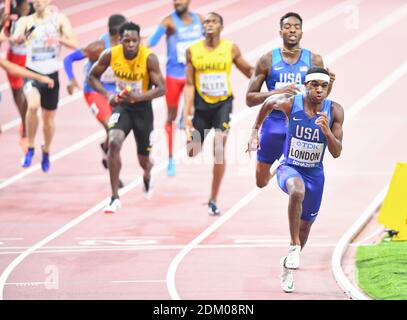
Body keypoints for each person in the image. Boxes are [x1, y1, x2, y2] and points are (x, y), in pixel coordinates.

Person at [247, 67, 344, 293]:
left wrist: (327, 132)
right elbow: (269, 103)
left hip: (315, 175)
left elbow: (337, 152)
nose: (319, 90)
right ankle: (293, 246)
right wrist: (254, 131)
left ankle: (287, 268)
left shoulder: (335, 111)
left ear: (328, 88)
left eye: (323, 86)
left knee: (306, 227)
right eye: (314, 85)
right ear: (306, 86)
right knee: (296, 191)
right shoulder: (292, 103)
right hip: (289, 167)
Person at [245, 12, 335, 188]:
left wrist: (329, 84)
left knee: (301, 180)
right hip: (273, 124)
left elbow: (321, 96)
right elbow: (249, 99)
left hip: (301, 124)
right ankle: (280, 168)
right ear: (280, 32)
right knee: (261, 182)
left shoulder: (314, 60)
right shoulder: (267, 60)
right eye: (287, 27)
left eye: (296, 27)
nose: (292, 30)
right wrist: (277, 92)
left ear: (301, 32)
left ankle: (287, 168)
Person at [88, 22, 165, 214]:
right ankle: (114, 197)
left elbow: (162, 89)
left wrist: (138, 97)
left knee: (143, 160)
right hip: (122, 107)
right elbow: (92, 76)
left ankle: (148, 174)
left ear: (139, 41)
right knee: (113, 142)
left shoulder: (149, 58)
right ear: (120, 41)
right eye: (127, 41)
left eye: (134, 41)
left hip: (143, 111)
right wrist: (107, 96)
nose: (130, 44)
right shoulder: (111, 54)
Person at [183, 12, 254, 215]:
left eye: (214, 21)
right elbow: (189, 84)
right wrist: (186, 114)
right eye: (206, 21)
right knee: (192, 151)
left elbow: (249, 70)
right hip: (201, 106)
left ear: (221, 27)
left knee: (219, 146)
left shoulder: (230, 49)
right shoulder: (192, 51)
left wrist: (268, 72)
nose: (209, 24)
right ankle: (194, 139)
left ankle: (213, 199)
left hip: (223, 104)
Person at [12, 0, 78, 172]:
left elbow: (74, 43)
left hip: (52, 75)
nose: (37, 2)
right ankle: (31, 147)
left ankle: (46, 151)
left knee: (48, 120)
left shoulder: (59, 20)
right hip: (32, 73)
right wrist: (19, 38)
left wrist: (58, 37)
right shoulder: (25, 21)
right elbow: (16, 37)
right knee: (32, 105)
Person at [63, 14, 126, 183]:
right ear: (115, 35)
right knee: (112, 128)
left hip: (115, 91)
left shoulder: (127, 45)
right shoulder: (98, 48)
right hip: (94, 91)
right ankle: (116, 176)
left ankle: (106, 147)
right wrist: (71, 78)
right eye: (124, 37)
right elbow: (68, 59)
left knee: (119, 130)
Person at [147, 0, 203, 177]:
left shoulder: (200, 20)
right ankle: (171, 157)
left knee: (193, 113)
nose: (177, 2)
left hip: (194, 77)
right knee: (171, 117)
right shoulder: (168, 22)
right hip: (173, 77)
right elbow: (151, 42)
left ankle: (191, 142)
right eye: (175, 0)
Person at [2, 0, 35, 152]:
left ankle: (26, 130)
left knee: (29, 93)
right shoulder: (8, 11)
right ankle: (24, 121)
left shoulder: (35, 9)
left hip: (29, 57)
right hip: (13, 56)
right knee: (17, 93)